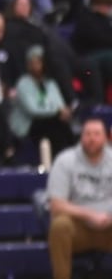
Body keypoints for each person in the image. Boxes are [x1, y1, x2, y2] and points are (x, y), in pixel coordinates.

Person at [47, 116, 112, 279]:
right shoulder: (65, 161)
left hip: (109, 226)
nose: (92, 138)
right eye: (87, 134)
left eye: (97, 134)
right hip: (78, 227)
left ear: (106, 137)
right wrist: (90, 215)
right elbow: (56, 205)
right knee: (59, 226)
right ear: (81, 137)